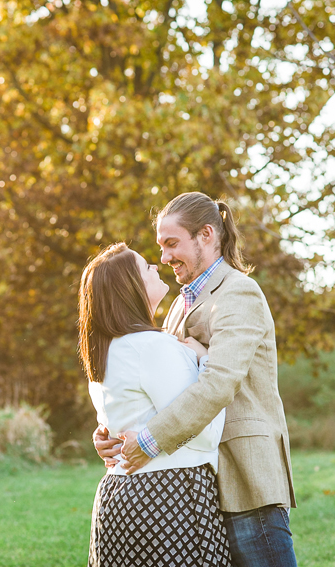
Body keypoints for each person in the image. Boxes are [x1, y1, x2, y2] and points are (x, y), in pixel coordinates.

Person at [94, 192, 298, 567]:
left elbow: (218, 383)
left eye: (172, 244)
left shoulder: (238, 292)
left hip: (243, 477)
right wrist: (112, 433)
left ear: (206, 234)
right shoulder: (177, 306)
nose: (164, 257)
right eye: (161, 247)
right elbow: (159, 388)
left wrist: (149, 440)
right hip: (196, 488)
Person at [79, 242, 231, 567]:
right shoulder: (151, 346)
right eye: (144, 266)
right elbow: (203, 431)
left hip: (117, 497)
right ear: (129, 287)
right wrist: (205, 363)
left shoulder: (105, 351)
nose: (155, 265)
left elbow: (120, 423)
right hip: (168, 497)